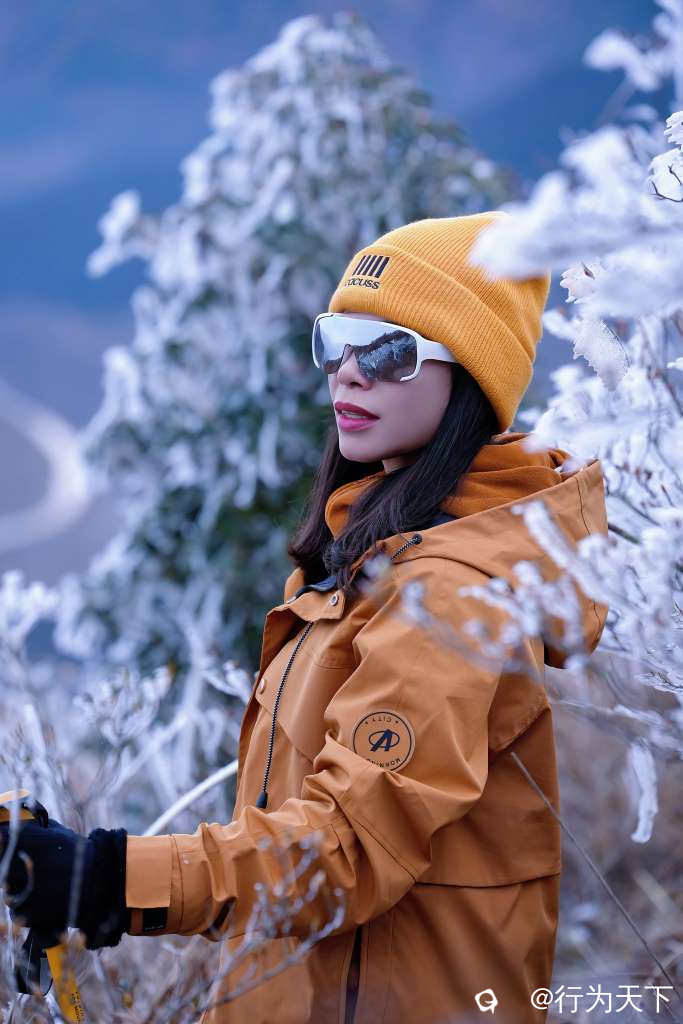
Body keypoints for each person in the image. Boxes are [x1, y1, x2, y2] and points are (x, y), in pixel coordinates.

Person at [0, 212, 609, 1023]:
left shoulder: (451, 596)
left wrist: (103, 879)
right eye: (337, 342)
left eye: (389, 351)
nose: (349, 374)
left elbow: (344, 849)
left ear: (470, 377)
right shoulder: (369, 556)